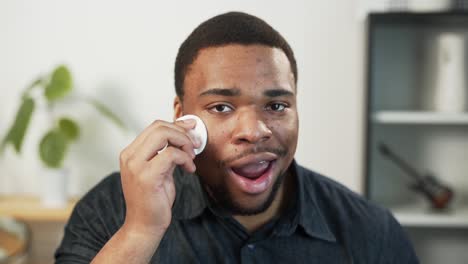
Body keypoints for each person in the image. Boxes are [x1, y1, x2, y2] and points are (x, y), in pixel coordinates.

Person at [55, 11, 419, 263]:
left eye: (276, 105)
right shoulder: (106, 211)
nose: (254, 131)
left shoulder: (372, 232)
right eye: (222, 107)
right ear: (182, 117)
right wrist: (138, 234)